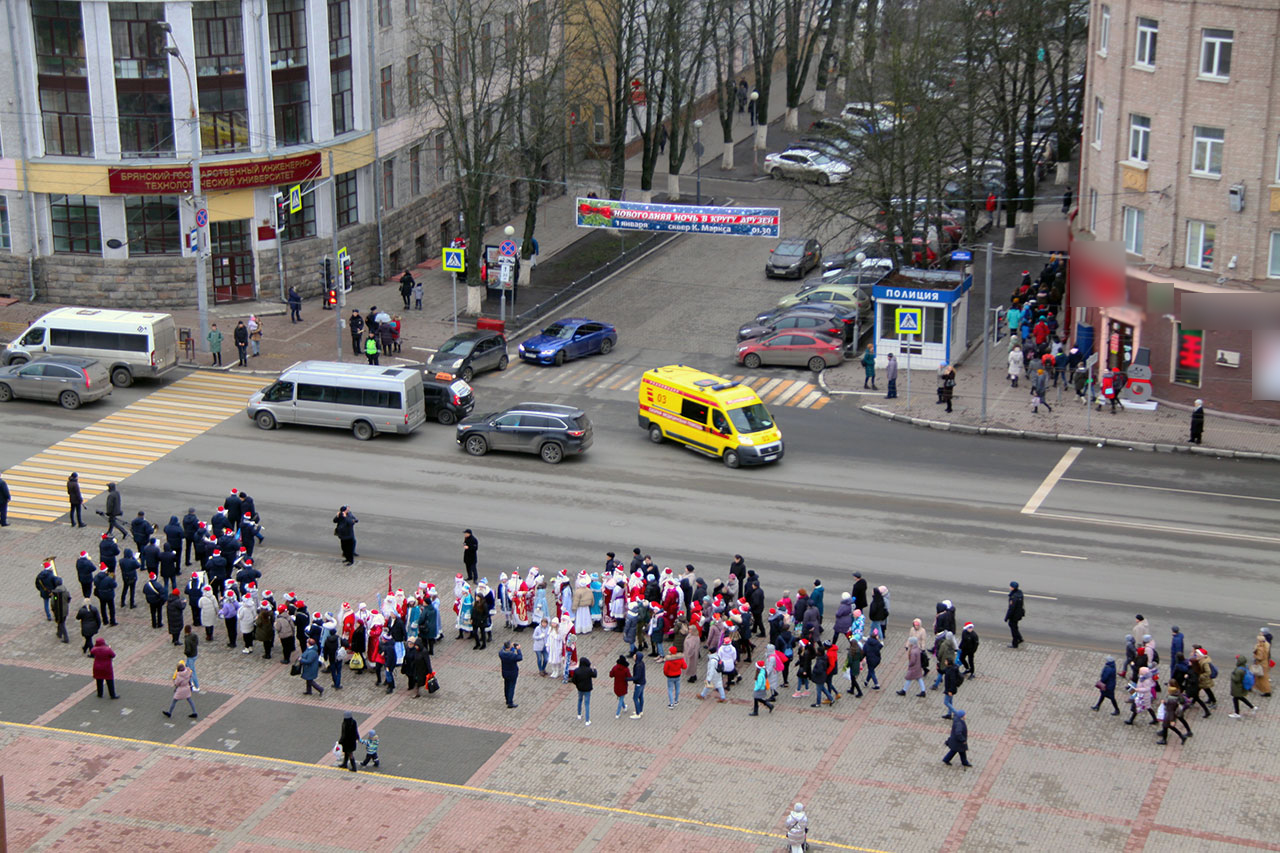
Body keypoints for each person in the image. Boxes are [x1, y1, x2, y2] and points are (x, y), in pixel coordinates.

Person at [571, 656, 597, 725]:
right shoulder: (588, 670)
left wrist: (577, 685)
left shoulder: (577, 670)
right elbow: (595, 675)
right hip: (587, 689)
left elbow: (573, 680)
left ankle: (579, 714)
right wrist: (594, 669)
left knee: (579, 700)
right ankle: (587, 720)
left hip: (580, 689)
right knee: (587, 704)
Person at [500, 641, 522, 708]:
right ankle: (510, 702)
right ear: (509, 647)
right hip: (512, 673)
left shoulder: (501, 653)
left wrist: (511, 647)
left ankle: (507, 699)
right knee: (511, 687)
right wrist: (518, 650)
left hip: (505, 672)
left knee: (506, 686)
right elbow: (520, 657)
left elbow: (504, 648)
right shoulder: (512, 656)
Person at [51, 576, 71, 643]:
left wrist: (53, 608)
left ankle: (66, 637)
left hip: (59, 611)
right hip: (65, 609)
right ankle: (59, 633)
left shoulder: (56, 594)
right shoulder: (66, 591)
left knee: (61, 623)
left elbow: (53, 602)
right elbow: (69, 599)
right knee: (61, 621)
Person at [1005, 581, 1025, 648]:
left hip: (1014, 615)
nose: (1010, 587)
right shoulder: (1020, 593)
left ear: (1013, 588)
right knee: (1015, 626)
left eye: (1011, 586)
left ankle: (1015, 643)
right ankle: (1019, 638)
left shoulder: (1014, 597)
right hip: (1019, 614)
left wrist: (1007, 617)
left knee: (1013, 628)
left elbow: (1011, 609)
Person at [1254, 631, 1273, 696]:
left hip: (1261, 664)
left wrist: (1255, 655)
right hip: (1265, 663)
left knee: (1262, 679)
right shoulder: (1267, 644)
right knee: (1263, 677)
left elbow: (1259, 657)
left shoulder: (1260, 648)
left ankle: (1267, 691)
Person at [630, 650, 647, 719]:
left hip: (639, 684)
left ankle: (637, 713)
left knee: (635, 698)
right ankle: (640, 710)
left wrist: (628, 679)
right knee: (640, 696)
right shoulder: (641, 663)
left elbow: (637, 677)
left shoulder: (638, 666)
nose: (634, 656)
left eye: (635, 655)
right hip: (642, 682)